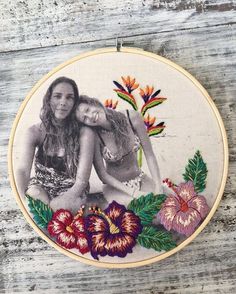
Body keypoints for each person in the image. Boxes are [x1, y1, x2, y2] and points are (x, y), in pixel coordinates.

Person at [16, 77, 95, 213]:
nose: (63, 102)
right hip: (41, 186)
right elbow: (22, 171)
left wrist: (56, 205)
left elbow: (82, 181)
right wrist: (23, 200)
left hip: (73, 190)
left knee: (61, 211)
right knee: (34, 197)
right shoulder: (34, 132)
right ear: (49, 100)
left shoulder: (85, 133)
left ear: (75, 103)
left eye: (69, 98)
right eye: (57, 96)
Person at [75, 95, 161, 202]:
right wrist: (134, 193)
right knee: (135, 212)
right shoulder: (95, 136)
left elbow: (150, 155)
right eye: (85, 118)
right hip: (116, 188)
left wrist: (158, 187)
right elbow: (103, 175)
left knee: (165, 203)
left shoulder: (131, 117)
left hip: (140, 179)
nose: (90, 116)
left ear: (94, 103)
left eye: (88, 109)